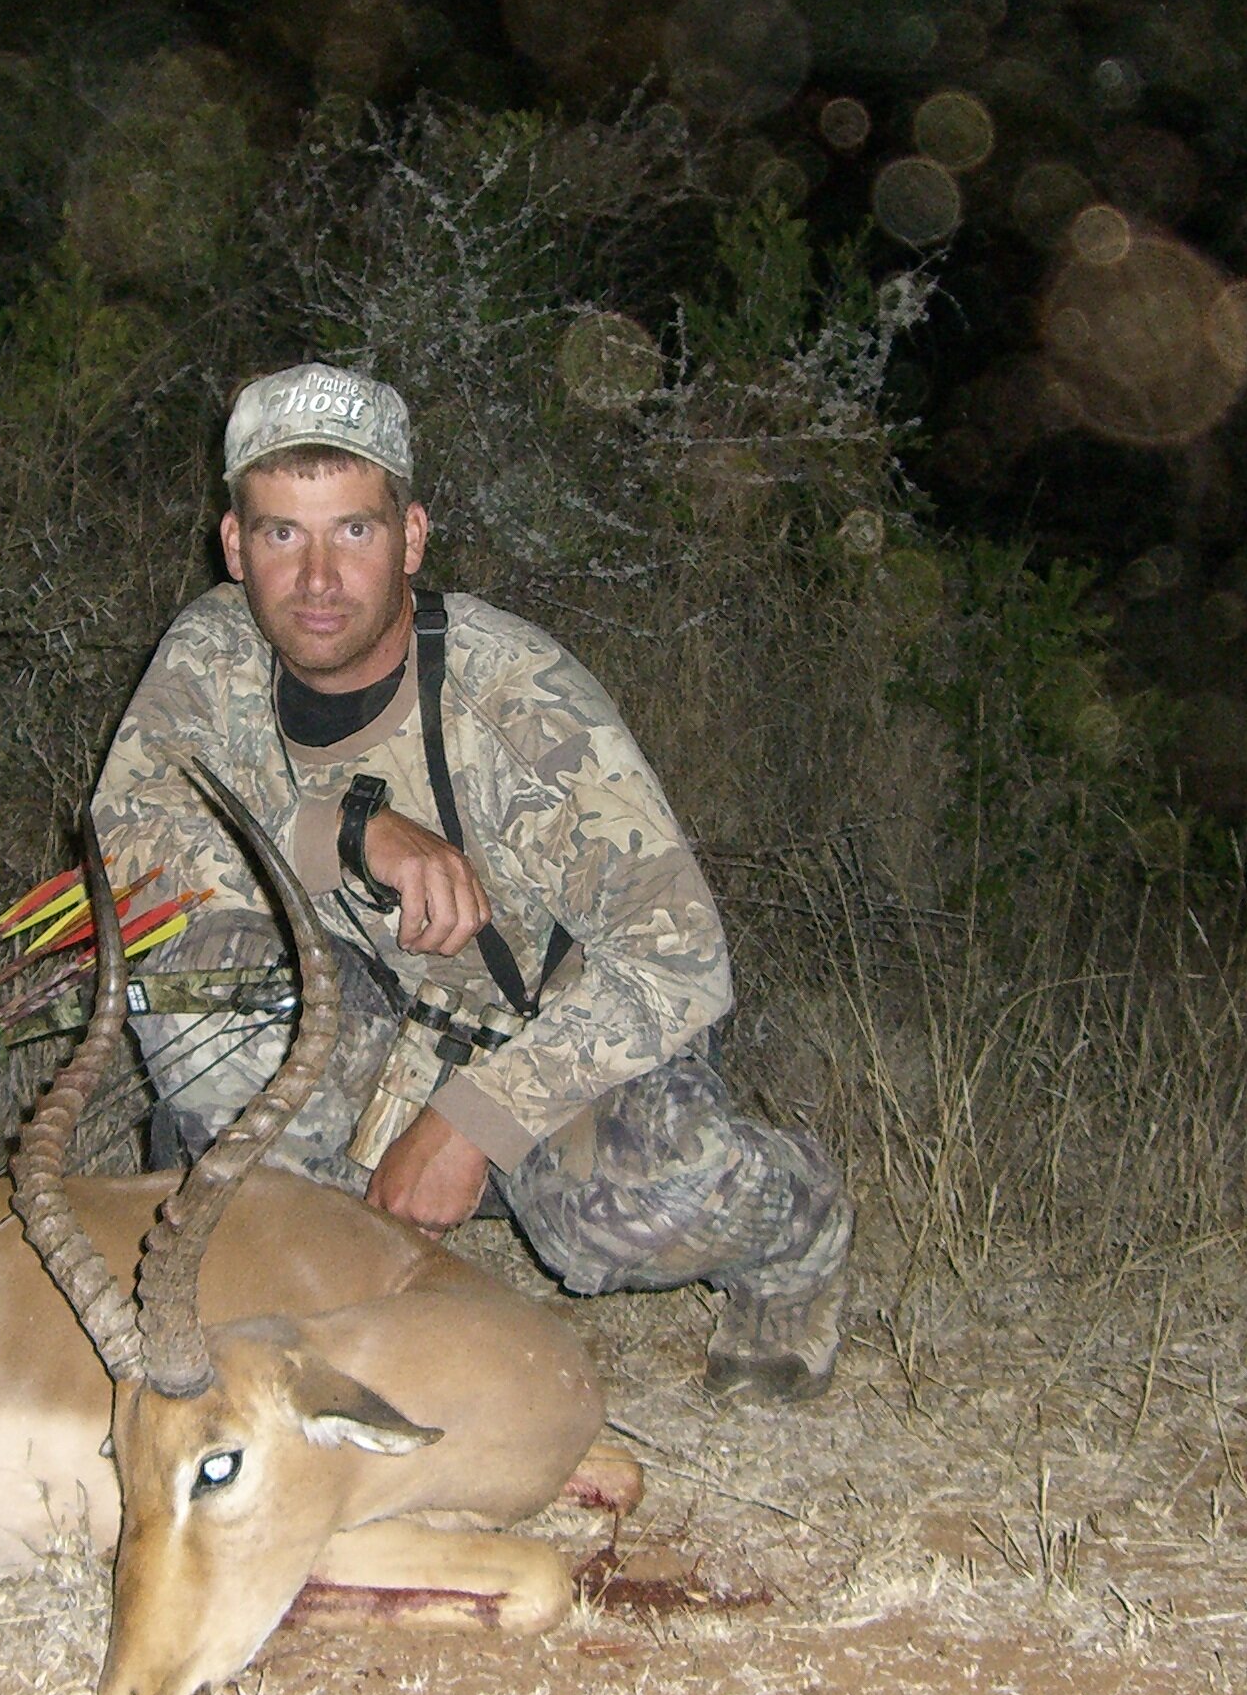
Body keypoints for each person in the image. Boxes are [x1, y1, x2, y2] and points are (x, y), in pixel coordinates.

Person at [90, 360, 852, 1402]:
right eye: (280, 534)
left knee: (629, 1208)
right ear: (234, 546)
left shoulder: (517, 697)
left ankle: (798, 1226)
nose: (316, 580)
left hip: (550, 1046)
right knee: (192, 977)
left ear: (409, 537)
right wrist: (336, 832)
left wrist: (471, 1124)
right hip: (369, 1038)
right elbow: (128, 854)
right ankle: (300, 1240)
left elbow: (679, 958)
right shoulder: (211, 653)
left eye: (352, 532)